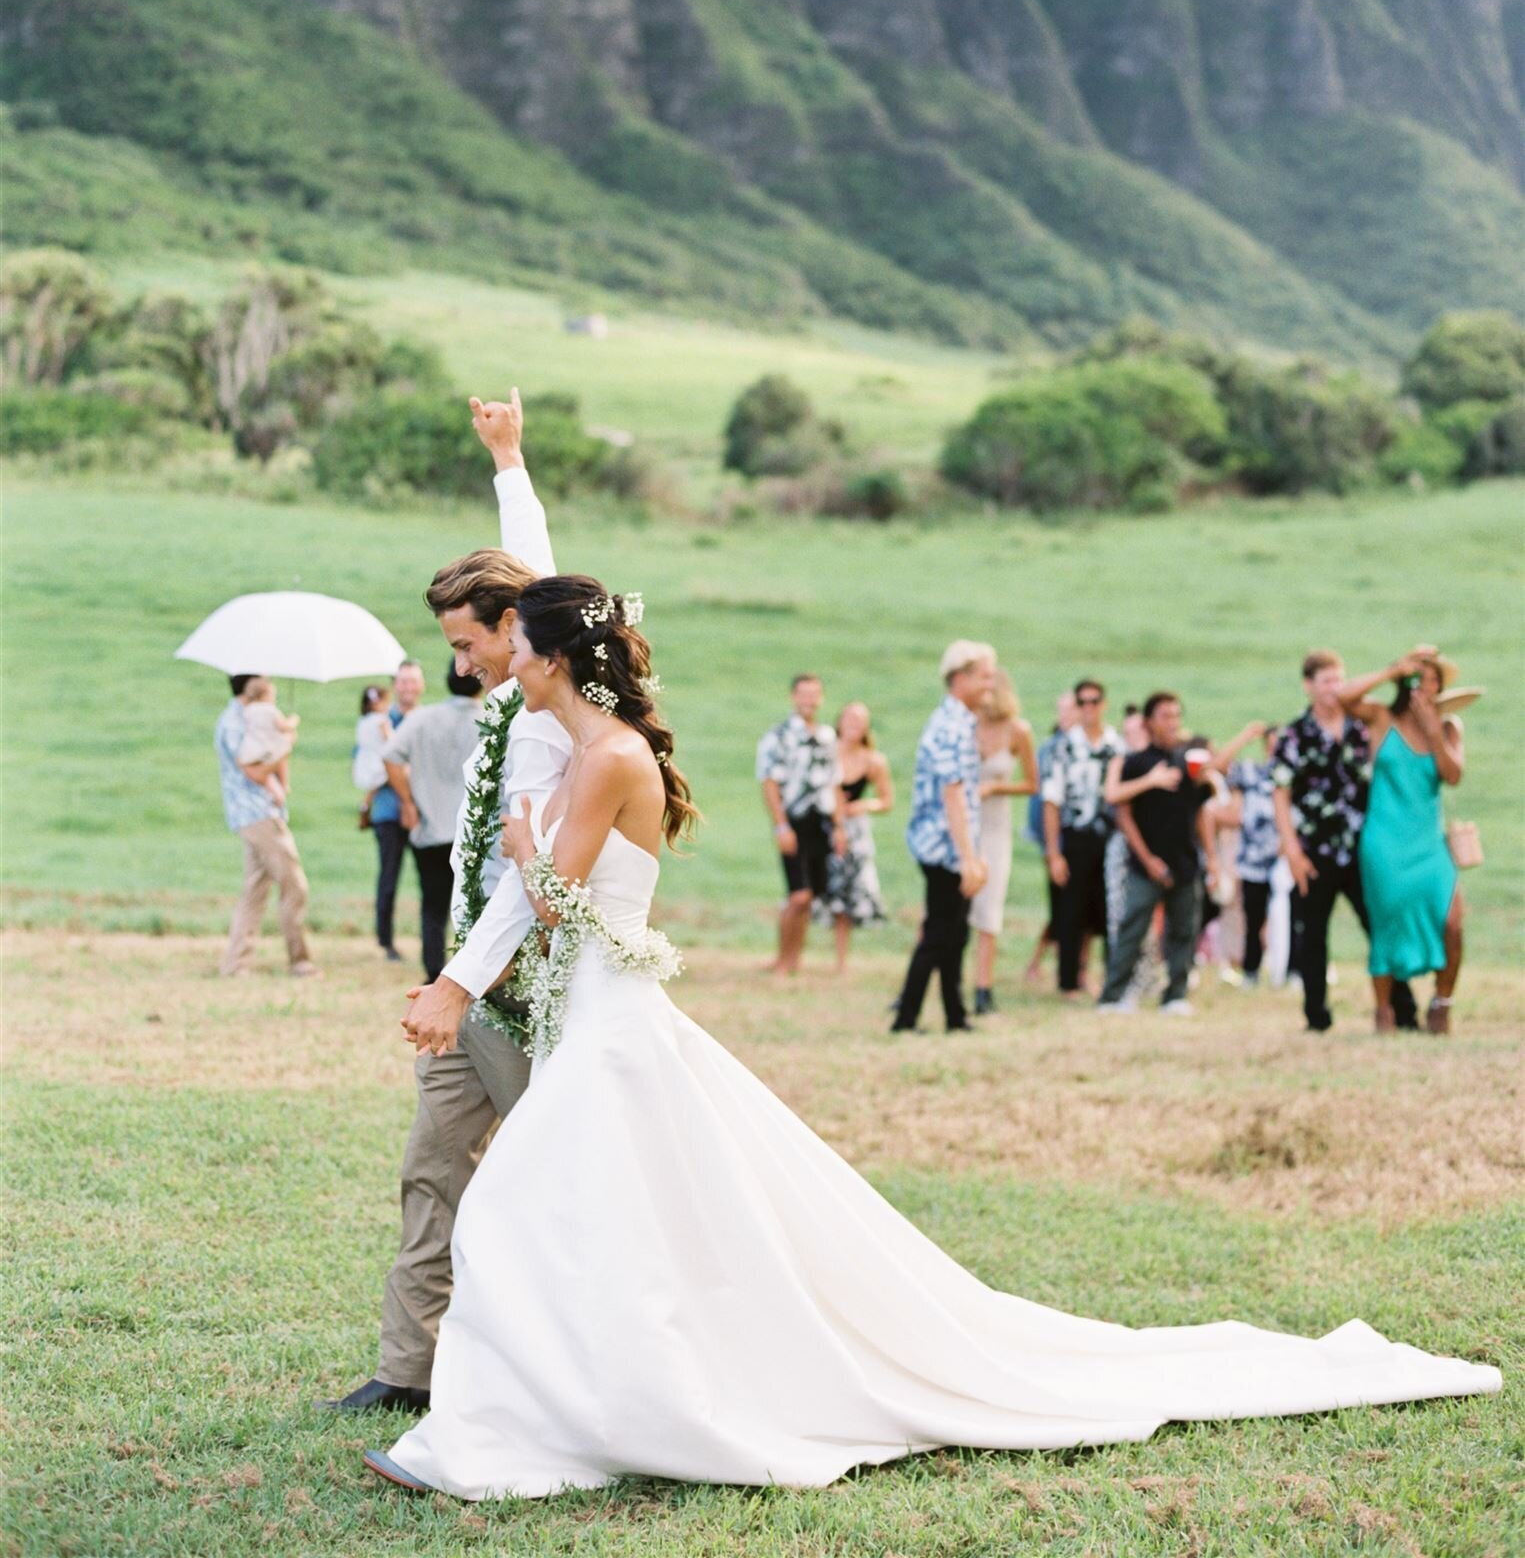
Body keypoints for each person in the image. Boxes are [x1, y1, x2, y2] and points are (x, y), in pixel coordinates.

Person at [359, 578, 1500, 1502]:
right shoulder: (584, 739)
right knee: (593, 1212)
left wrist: (513, 837)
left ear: (553, 655)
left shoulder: (608, 756)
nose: (503, 658)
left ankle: (517, 1426)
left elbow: (559, 901)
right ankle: (568, 1404)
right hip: (604, 1011)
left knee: (515, 1204)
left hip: (613, 1014)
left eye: (517, 644)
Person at [322, 391, 568, 1418]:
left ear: (514, 631)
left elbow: (526, 875)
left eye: (467, 643)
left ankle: (556, 1369)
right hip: (469, 986)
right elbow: (534, 568)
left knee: (547, 1186)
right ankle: (405, 1367)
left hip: (521, 990)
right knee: (430, 1168)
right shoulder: (505, 697)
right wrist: (505, 458)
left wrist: (460, 976)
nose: (458, 663)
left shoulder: (549, 719)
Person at [1270, 651, 1417, 1035]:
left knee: (1379, 926)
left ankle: (1403, 1010)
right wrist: (1292, 850)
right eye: (1325, 681)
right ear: (1308, 686)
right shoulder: (1294, 734)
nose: (1334, 689)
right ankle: (1316, 1016)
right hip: (1315, 848)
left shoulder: (1361, 725)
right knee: (1313, 934)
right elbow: (1280, 794)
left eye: (1339, 680)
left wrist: (1396, 671)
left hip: (1363, 846)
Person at [1338, 650, 1469, 1035]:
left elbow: (1453, 775)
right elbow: (1343, 699)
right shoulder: (1382, 719)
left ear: (1440, 687)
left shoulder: (1449, 728)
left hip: (1428, 844)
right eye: (1415, 678)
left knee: (1453, 923)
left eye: (1430, 679)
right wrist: (1389, 668)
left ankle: (1442, 1004)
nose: (1422, 686)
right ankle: (1383, 1012)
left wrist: (1433, 731)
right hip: (1385, 844)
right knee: (1387, 925)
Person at [891, 642, 993, 1034]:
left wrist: (974, 853)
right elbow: (953, 794)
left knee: (956, 933)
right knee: (938, 933)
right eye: (984, 675)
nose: (990, 683)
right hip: (942, 846)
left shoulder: (961, 721)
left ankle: (955, 1014)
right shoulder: (950, 726)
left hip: (954, 845)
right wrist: (969, 857)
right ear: (961, 677)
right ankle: (906, 1017)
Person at [1096, 692, 1219, 1015]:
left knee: (1183, 931)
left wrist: (1212, 858)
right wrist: (1147, 859)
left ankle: (1175, 995)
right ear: (1150, 722)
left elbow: (1202, 812)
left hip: (1185, 861)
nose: (1172, 722)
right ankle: (1113, 995)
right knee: (1132, 929)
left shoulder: (1189, 762)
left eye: (1177, 715)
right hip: (1144, 862)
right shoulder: (1136, 762)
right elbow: (1122, 812)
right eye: (1165, 715)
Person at [383, 661, 486, 984]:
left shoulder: (423, 718)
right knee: (473, 906)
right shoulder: (489, 719)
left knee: (433, 905)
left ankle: (432, 973)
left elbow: (390, 754)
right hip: (472, 832)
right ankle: (467, 974)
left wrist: (407, 802)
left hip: (429, 826)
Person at [214, 673, 316, 979]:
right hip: (256, 814)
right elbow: (254, 772)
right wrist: (286, 746)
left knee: (256, 888)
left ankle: (236, 963)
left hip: (261, 812)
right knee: (294, 884)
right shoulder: (234, 723)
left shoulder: (249, 717)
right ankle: (300, 959)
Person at [757, 676, 843, 978]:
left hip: (821, 822)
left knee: (812, 895)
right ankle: (781, 958)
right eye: (803, 694)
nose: (809, 700)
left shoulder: (828, 737)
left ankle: (795, 959)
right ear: (794, 697)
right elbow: (769, 782)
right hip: (794, 820)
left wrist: (839, 827)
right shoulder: (778, 736)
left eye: (814, 694)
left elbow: (834, 783)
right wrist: (781, 826)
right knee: (798, 895)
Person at [1041, 678, 1122, 1000]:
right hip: (1074, 837)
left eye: (1094, 701)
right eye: (1082, 702)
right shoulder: (1064, 747)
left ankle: (1108, 977)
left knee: (1107, 910)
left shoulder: (1116, 745)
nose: (1089, 708)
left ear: (1103, 704)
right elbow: (1051, 800)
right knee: (1071, 910)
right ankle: (1068, 981)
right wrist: (1053, 852)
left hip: (1109, 838)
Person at [969, 671, 1036, 1014]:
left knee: (988, 909)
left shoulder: (1018, 731)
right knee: (947, 907)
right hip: (963, 826)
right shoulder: (965, 725)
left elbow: (1031, 784)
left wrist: (996, 788)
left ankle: (983, 988)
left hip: (995, 827)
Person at [817, 702, 891, 970]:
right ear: (839, 721)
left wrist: (864, 805)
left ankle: (841, 960)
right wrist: (836, 826)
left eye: (860, 721)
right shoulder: (826, 754)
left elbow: (886, 800)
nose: (854, 725)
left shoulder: (874, 761)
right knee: (824, 890)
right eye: (849, 718)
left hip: (856, 832)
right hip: (825, 829)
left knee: (849, 893)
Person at [1213, 721, 1278, 986]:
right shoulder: (1252, 772)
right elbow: (1218, 766)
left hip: (1286, 859)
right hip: (1254, 859)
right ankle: (1251, 970)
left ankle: (1293, 969)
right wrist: (1245, 735)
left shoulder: (1299, 773)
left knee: (1295, 917)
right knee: (1253, 918)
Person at [370, 661, 425, 964]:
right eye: (402, 682)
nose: (407, 688)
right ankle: (386, 940)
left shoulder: (426, 720)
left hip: (422, 810)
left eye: (412, 681)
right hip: (389, 810)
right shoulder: (380, 722)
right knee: (389, 875)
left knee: (429, 878)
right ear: (395, 686)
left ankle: (428, 938)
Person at [1022, 690, 1077, 986]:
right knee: (1061, 907)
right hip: (1056, 843)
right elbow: (1039, 802)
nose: (1065, 716)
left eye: (1070, 710)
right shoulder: (1050, 749)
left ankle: (1069, 967)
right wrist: (1048, 846)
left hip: (1082, 841)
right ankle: (1038, 963)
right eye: (1062, 710)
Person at [235, 676, 299, 805]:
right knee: (284, 748)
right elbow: (284, 727)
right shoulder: (271, 711)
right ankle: (284, 786)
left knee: (266, 778)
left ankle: (277, 793)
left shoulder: (248, 710)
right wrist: (294, 720)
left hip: (250, 751)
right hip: (267, 749)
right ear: (265, 695)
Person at [353, 682, 393, 824]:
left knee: (373, 788)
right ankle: (366, 806)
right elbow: (390, 740)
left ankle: (365, 806)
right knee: (392, 776)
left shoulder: (363, 720)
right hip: (378, 760)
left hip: (366, 759)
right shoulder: (381, 721)